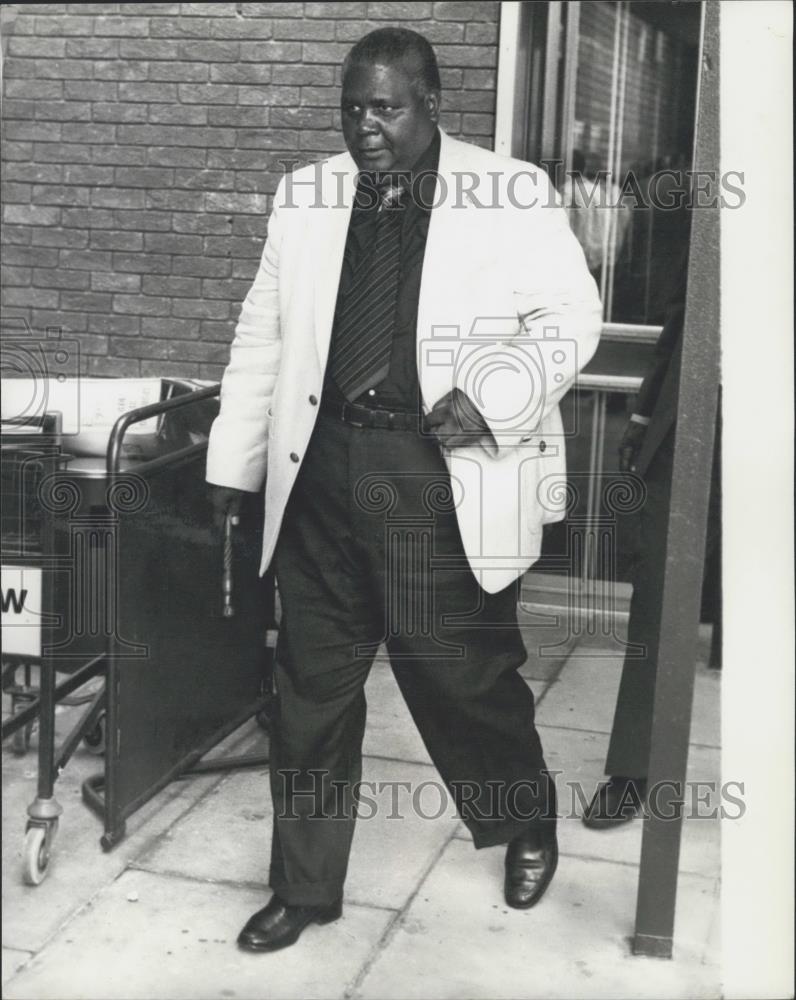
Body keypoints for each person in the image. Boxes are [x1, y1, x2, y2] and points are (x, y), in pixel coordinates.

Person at [206, 28, 602, 952]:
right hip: (323, 471)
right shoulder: (305, 196)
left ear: (432, 103)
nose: (365, 127)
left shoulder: (508, 191)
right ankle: (305, 888)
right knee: (310, 688)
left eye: (384, 108)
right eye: (352, 109)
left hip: (434, 471)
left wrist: (492, 397)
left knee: (458, 676)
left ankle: (523, 816)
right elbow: (262, 334)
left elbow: (571, 315)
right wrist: (236, 463)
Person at [582, 249, 721, 828]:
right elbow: (681, 325)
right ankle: (633, 770)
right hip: (689, 428)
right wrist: (642, 417)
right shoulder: (724, 209)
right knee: (660, 604)